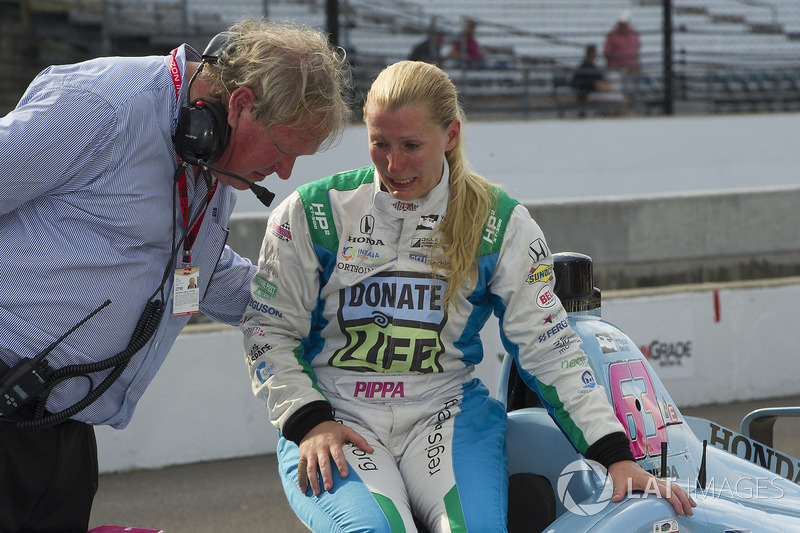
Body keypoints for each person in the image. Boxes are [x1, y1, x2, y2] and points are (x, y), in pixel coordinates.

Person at [241, 60, 696, 532]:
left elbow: (549, 348)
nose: (394, 165)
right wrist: (308, 423)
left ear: (451, 135)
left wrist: (613, 454)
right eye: (380, 143)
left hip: (446, 414)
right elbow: (268, 329)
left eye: (412, 145)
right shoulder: (313, 212)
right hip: (336, 415)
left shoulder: (500, 222)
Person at [0, 18, 351, 532]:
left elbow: (203, 276)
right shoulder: (103, 104)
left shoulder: (210, 159)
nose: (285, 172)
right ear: (240, 105)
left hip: (59, 427)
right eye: (283, 149)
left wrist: (322, 303)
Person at [572, 44, 625, 113]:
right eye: (596, 52)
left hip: (590, 93)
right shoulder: (588, 67)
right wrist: (612, 90)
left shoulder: (587, 66)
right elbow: (598, 84)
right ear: (593, 53)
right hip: (589, 94)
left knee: (617, 97)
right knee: (619, 98)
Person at [603, 9, 641, 99]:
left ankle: (629, 111)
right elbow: (607, 53)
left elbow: (637, 50)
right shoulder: (612, 34)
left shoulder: (633, 32)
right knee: (617, 92)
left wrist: (636, 65)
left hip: (631, 69)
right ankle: (619, 110)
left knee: (631, 92)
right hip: (616, 69)